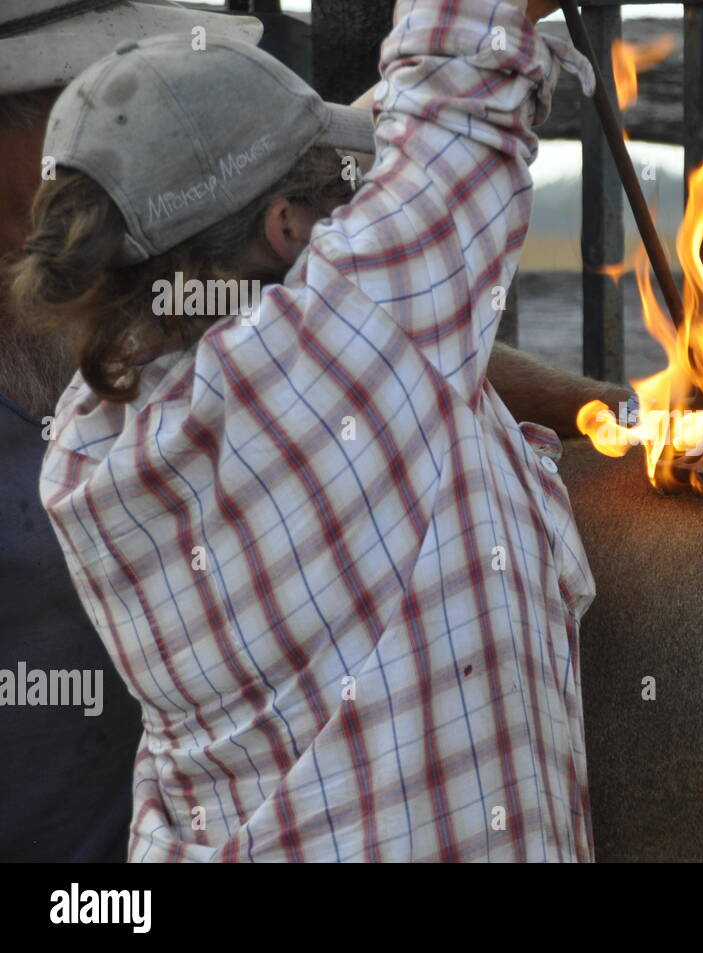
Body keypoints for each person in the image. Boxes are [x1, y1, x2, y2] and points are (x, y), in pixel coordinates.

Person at [10, 0, 622, 861]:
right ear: (285, 227)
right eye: (330, 189)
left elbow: (397, 175)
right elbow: (458, 77)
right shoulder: (331, 346)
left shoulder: (87, 437)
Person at [0, 0, 262, 863]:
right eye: (87, 98)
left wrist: (613, 410)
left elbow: (358, 338)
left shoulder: (153, 272)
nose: (120, 132)